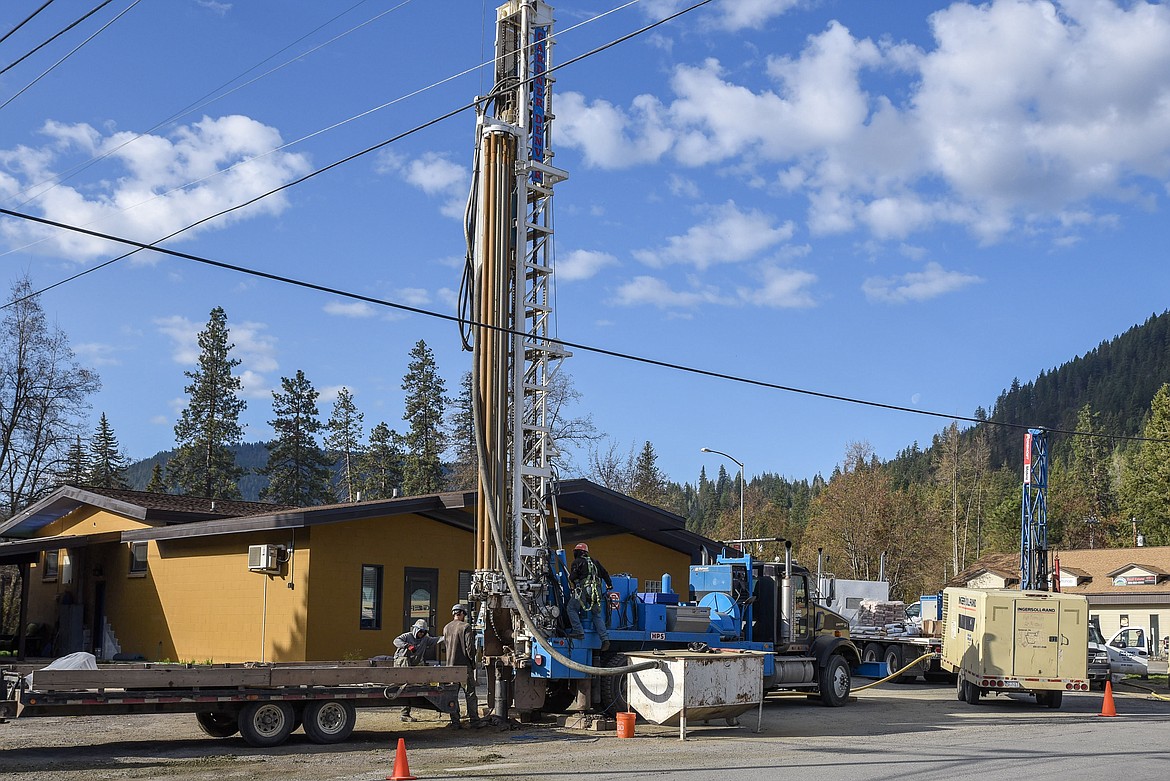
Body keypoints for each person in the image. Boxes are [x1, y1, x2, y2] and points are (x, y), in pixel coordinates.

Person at [566, 542, 612, 650]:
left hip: (583, 590)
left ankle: (578, 631)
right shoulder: (595, 562)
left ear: (577, 552)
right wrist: (609, 584)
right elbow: (605, 573)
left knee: (571, 608)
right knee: (596, 614)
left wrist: (573, 581)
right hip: (596, 591)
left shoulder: (577, 562)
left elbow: (572, 577)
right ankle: (605, 639)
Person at [441, 603, 479, 727]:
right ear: (462, 614)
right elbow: (470, 648)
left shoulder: (446, 627)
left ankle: (455, 722)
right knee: (470, 694)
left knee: (453, 695)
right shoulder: (465, 627)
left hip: (451, 667)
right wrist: (472, 661)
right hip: (464, 667)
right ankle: (474, 720)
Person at [393, 619, 438, 721]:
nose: (421, 634)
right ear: (415, 630)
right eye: (420, 631)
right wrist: (407, 645)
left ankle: (406, 713)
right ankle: (404, 714)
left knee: (414, 686)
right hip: (402, 664)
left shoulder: (425, 639)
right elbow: (396, 641)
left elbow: (435, 640)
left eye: (423, 632)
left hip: (413, 665)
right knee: (405, 687)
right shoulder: (407, 636)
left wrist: (446, 637)